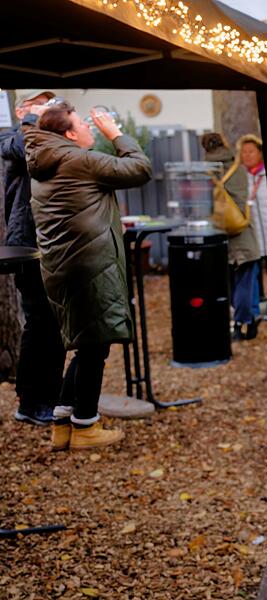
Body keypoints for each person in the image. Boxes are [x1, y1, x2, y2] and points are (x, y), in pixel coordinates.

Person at [23, 99, 151, 450]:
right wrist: (116, 132)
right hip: (89, 266)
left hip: (63, 266)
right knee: (95, 347)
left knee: (85, 345)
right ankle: (85, 426)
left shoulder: (45, 161)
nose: (89, 128)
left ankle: (62, 423)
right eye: (83, 124)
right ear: (67, 133)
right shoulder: (79, 160)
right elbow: (140, 169)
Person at [1, 89, 66, 427]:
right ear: (21, 109)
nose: (43, 109)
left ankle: (49, 398)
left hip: (54, 242)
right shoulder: (14, 137)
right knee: (40, 322)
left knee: (54, 324)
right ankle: (31, 401)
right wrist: (32, 120)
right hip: (26, 244)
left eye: (47, 104)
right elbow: (19, 149)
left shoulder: (52, 140)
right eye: (36, 104)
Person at [201, 133, 261, 341]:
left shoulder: (204, 172)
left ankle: (239, 321)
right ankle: (243, 323)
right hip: (243, 234)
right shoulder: (239, 170)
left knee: (230, 286)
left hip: (218, 236)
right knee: (245, 283)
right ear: (225, 144)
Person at [237, 134, 267, 322]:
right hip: (251, 237)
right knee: (251, 273)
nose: (247, 155)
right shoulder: (240, 178)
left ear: (260, 152)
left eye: (251, 151)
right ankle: (253, 312)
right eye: (243, 152)